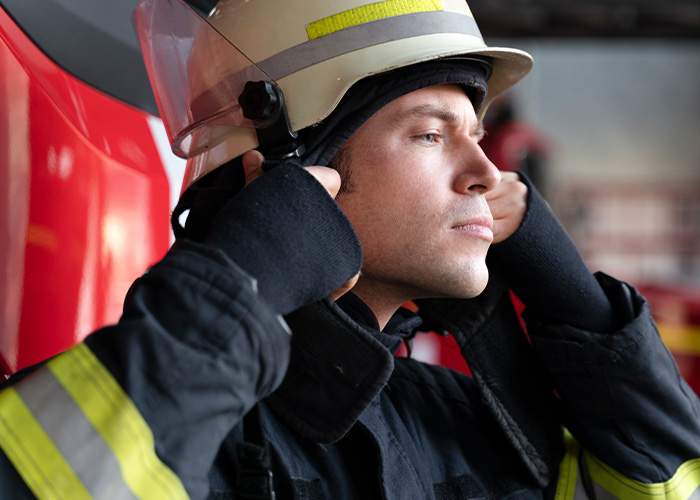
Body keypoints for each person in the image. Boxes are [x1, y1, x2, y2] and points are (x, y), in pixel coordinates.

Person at [1, 0, 699, 499]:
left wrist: (589, 318)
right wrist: (239, 285)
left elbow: (662, 486)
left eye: (476, 133)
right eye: (431, 134)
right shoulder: (180, 424)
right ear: (287, 175)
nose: (488, 174)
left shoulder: (476, 421)